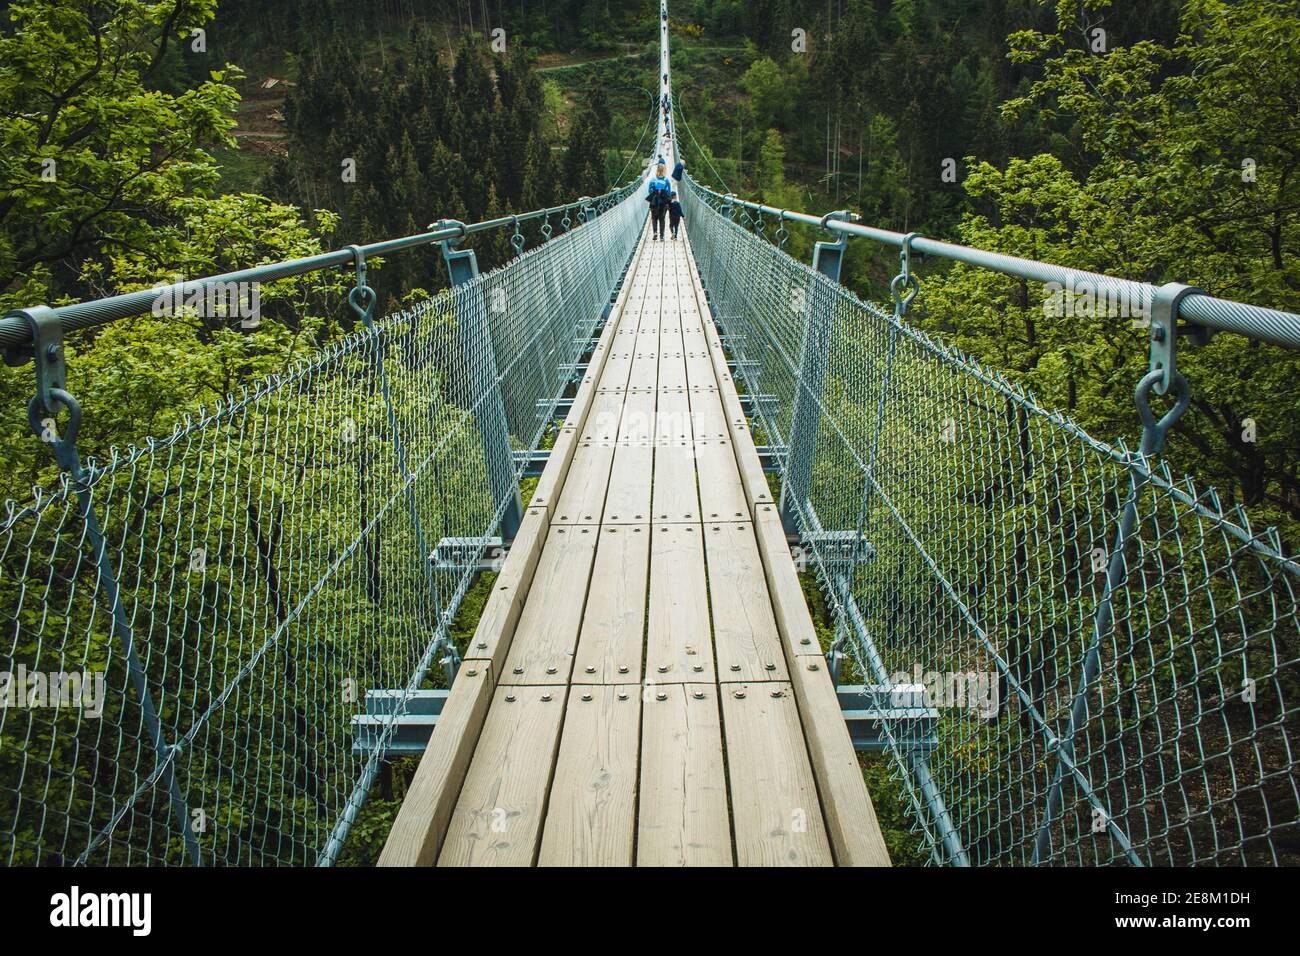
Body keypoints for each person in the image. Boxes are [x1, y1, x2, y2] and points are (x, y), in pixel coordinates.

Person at [646, 163, 671, 240]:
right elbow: (669, 192)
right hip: (663, 203)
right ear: (664, 171)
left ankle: (655, 232)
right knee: (662, 219)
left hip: (654, 202)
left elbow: (649, 190)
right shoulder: (666, 180)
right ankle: (662, 236)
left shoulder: (653, 180)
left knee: (654, 218)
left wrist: (656, 192)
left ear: (657, 170)